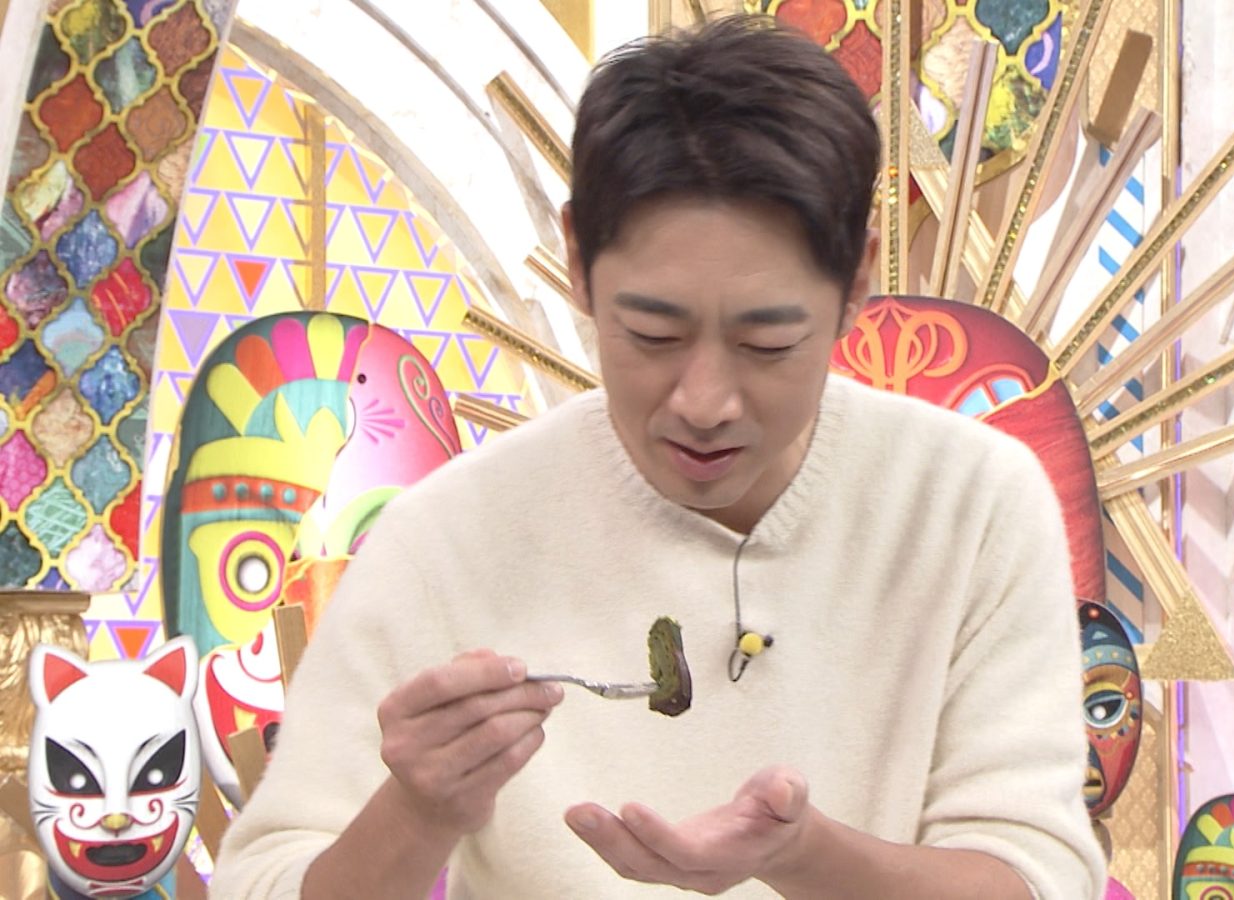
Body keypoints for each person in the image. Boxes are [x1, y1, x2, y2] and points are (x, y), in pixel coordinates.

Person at [211, 15, 1105, 898]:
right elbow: (263, 884)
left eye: (767, 343)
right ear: (575, 259)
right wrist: (414, 812)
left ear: (858, 276)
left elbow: (1038, 877)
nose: (704, 403)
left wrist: (801, 855)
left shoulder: (974, 503)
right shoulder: (443, 539)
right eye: (652, 334)